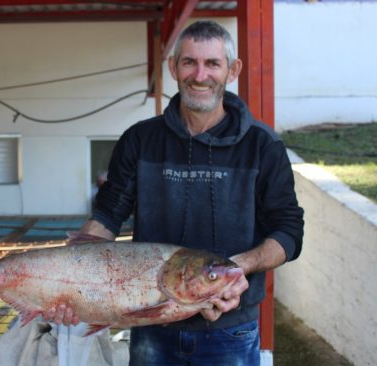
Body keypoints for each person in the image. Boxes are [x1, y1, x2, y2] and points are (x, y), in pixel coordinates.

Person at [44, 20, 304, 365]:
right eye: (189, 62)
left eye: (212, 63)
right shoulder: (141, 140)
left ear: (233, 69)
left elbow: (288, 231)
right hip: (151, 322)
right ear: (173, 67)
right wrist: (72, 283)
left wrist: (235, 270)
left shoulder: (262, 146)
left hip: (230, 329)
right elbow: (107, 215)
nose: (200, 75)